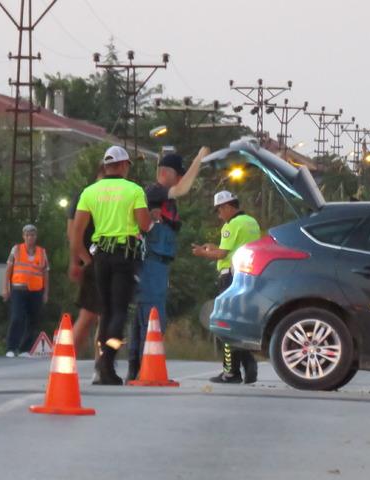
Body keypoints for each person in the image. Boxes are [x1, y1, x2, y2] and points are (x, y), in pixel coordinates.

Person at [71, 146, 151, 385]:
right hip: (124, 256)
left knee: (105, 313)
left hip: (100, 257)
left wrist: (86, 259)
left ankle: (103, 366)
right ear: (124, 165)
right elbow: (145, 225)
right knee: (119, 313)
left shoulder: (89, 192)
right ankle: (107, 363)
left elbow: (76, 232)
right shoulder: (134, 190)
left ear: (106, 167)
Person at [127, 147, 208, 381]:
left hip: (158, 265)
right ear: (165, 172)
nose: (182, 178)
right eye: (179, 173)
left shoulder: (161, 197)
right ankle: (145, 371)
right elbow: (183, 188)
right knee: (152, 318)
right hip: (151, 264)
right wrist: (199, 158)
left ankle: (139, 370)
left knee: (146, 318)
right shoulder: (155, 191)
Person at [192, 191, 262, 384]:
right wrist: (212, 247)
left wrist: (202, 253)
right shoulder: (251, 222)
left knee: (226, 325)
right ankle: (249, 366)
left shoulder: (231, 225)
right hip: (247, 277)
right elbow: (234, 248)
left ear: (227, 207)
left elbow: (222, 255)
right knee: (239, 324)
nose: (219, 215)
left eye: (219, 210)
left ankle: (230, 372)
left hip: (229, 278)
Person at [68, 166, 104, 362]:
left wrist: (77, 261)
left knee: (96, 315)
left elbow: (72, 233)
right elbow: (73, 233)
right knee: (90, 315)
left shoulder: (86, 196)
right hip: (95, 261)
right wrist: (79, 261)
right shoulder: (86, 197)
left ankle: (101, 362)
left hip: (98, 260)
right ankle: (100, 363)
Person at [2, 224, 49, 358]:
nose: (30, 237)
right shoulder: (16, 249)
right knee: (17, 317)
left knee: (33, 320)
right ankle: (11, 347)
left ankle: (25, 349)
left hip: (36, 291)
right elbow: (8, 270)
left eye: (32, 235)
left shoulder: (41, 252)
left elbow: (46, 273)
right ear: (23, 236)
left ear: (36, 236)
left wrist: (46, 293)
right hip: (18, 289)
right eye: (27, 235)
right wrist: (5, 288)